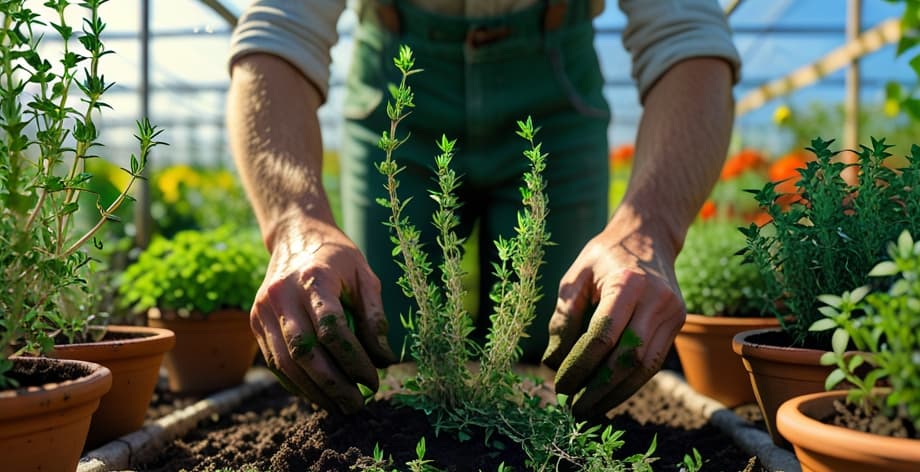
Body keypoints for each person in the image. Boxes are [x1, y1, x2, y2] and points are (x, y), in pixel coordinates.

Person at [226, 0, 740, 417]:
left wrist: (650, 230)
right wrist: (295, 221)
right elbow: (279, 29)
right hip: (399, 87)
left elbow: (687, 33)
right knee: (379, 336)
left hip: (553, 86)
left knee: (566, 346)